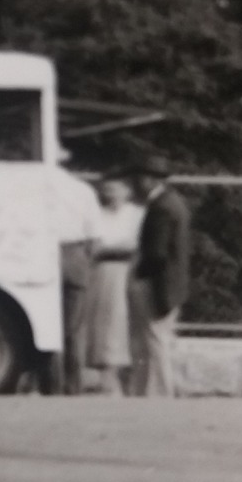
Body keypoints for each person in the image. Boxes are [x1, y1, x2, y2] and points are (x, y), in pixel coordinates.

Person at [127, 155, 192, 398]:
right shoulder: (173, 202)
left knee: (154, 342)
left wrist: (139, 276)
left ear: (152, 180)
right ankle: (154, 391)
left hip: (156, 284)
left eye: (142, 177)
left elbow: (157, 252)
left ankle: (159, 393)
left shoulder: (161, 207)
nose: (137, 182)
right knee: (158, 340)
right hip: (169, 284)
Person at [49, 153, 102, 395]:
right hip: (75, 252)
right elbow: (95, 237)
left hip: (45, 252)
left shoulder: (38, 188)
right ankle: (72, 385)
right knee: (73, 327)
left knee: (48, 324)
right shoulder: (83, 190)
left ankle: (50, 383)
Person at [88, 174, 142, 395]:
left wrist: (109, 248)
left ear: (127, 191)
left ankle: (127, 373)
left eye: (116, 189)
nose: (111, 194)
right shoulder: (98, 215)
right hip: (102, 272)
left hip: (128, 272)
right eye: (107, 189)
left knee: (123, 318)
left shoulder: (136, 214)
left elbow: (135, 245)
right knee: (103, 320)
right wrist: (114, 247)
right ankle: (105, 374)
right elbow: (94, 247)